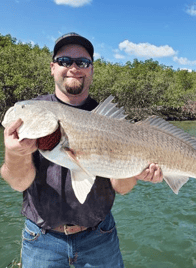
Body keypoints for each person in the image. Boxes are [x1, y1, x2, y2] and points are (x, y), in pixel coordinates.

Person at [1, 32, 163, 268]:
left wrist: (137, 168)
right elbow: (18, 183)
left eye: (82, 62)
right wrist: (15, 153)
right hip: (41, 239)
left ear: (91, 70)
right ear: (52, 68)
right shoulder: (37, 111)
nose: (73, 68)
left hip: (100, 238)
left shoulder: (113, 123)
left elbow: (123, 187)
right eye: (64, 61)